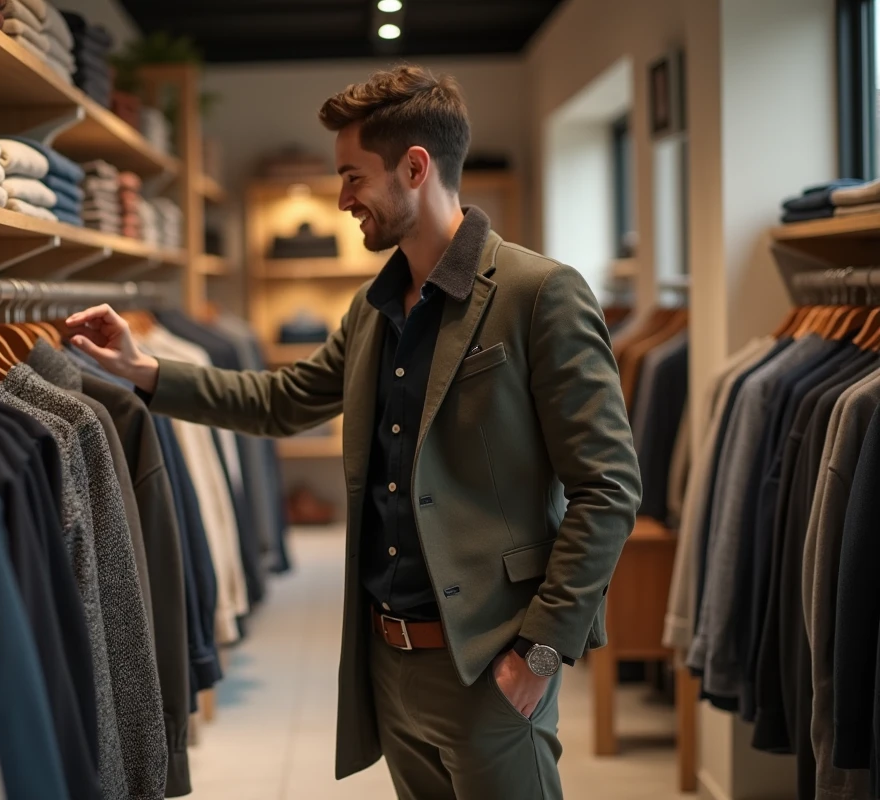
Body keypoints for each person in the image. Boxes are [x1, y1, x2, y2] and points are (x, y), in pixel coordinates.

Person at [66, 65, 642, 800]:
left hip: (489, 660)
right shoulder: (372, 308)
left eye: (351, 176)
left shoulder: (540, 294)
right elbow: (284, 399)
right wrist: (144, 370)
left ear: (415, 167)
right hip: (388, 664)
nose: (341, 200)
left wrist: (540, 649)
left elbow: (609, 485)